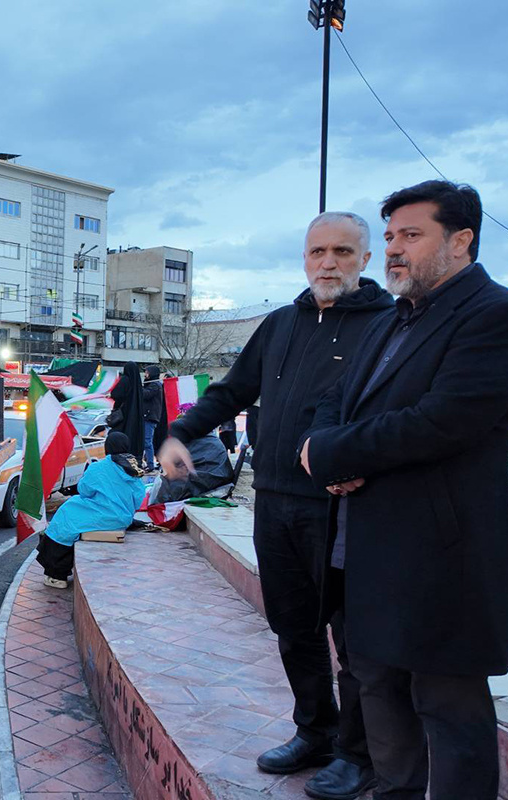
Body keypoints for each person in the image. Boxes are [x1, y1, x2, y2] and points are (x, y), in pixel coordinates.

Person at [159, 211, 393, 799]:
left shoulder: (390, 325)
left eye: (343, 251)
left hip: (347, 508)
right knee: (292, 624)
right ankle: (314, 730)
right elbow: (232, 390)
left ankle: (357, 754)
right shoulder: (281, 323)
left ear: (365, 259)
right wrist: (179, 433)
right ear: (305, 257)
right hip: (277, 499)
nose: (328, 262)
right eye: (318, 251)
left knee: (353, 634)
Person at [300, 181, 508, 800]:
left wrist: (335, 451)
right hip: (365, 552)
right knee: (378, 690)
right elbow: (332, 402)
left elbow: (441, 421)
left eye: (411, 235)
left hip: (442, 559)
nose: (394, 249)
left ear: (461, 240)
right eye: (391, 236)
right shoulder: (393, 317)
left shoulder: (498, 316)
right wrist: (323, 451)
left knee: (448, 709)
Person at [36, 431, 146, 589]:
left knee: (67, 514)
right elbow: (138, 499)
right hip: (123, 518)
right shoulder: (134, 469)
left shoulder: (99, 467)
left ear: (107, 447)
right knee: (73, 507)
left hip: (104, 516)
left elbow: (84, 490)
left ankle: (56, 574)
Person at [107, 361, 144, 460]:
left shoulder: (125, 380)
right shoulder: (137, 383)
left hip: (123, 414)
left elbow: (116, 394)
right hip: (134, 414)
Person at [140, 365, 164, 470]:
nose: (145, 375)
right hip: (147, 416)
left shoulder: (155, 385)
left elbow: (146, 394)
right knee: (145, 441)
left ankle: (150, 464)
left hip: (150, 417)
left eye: (147, 372)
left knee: (147, 441)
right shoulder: (150, 384)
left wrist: (138, 387)